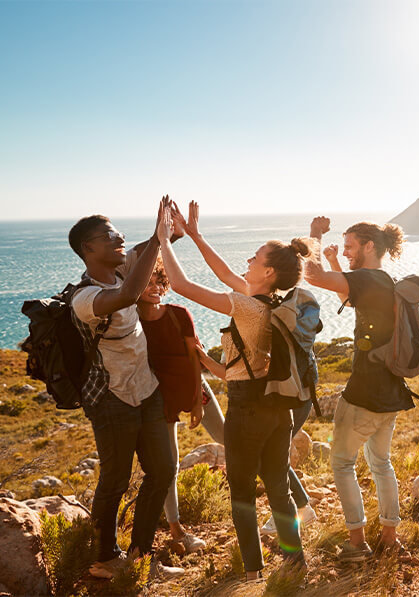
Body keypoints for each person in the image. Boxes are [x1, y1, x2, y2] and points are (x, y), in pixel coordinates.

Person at [155, 205, 309, 583]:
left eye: (254, 258)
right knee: (277, 487)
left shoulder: (245, 306)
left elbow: (182, 286)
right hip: (277, 409)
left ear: (268, 272)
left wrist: (163, 241)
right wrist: (194, 235)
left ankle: (254, 572)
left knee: (241, 491)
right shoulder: (271, 304)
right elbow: (236, 369)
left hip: (247, 412)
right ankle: (295, 563)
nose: (248, 261)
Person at [67, 197, 183, 580]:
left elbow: (160, 245)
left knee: (163, 469)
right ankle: (105, 559)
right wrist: (154, 239)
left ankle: (140, 557)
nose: (119, 239)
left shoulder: (124, 268)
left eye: (118, 233)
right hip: (111, 398)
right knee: (115, 479)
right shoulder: (84, 298)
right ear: (88, 248)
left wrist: (167, 232)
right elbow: (130, 295)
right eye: (109, 236)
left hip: (146, 389)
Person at [304, 217, 414, 562]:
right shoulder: (383, 281)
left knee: (342, 464)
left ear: (369, 246)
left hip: (365, 393)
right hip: (393, 392)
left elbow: (312, 276)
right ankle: (389, 537)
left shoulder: (367, 278)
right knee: (381, 463)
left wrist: (315, 237)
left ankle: (356, 543)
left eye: (350, 246)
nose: (347, 251)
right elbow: (349, 298)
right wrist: (338, 261)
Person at [136, 258, 226, 554]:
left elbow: (193, 360)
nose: (155, 289)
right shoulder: (130, 321)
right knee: (169, 465)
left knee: (229, 439)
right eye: (147, 283)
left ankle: (275, 495)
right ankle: (177, 529)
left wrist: (196, 403)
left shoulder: (178, 314)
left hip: (192, 386)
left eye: (159, 282)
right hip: (158, 396)